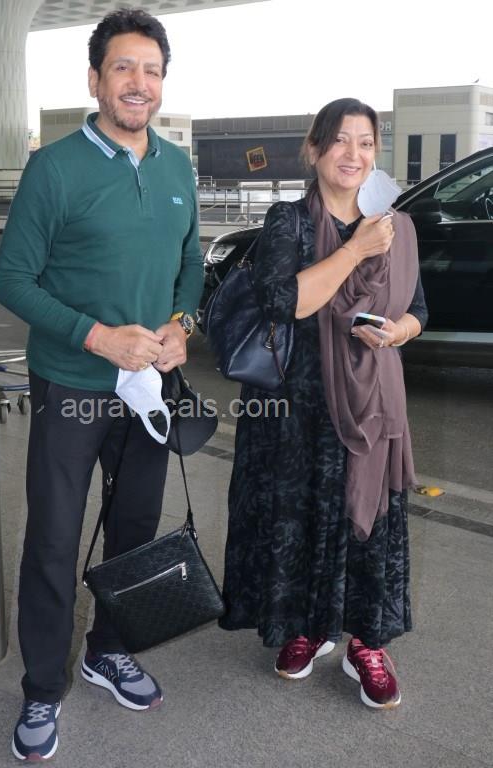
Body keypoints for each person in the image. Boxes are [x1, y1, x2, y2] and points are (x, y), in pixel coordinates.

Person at [0, 9, 201, 762]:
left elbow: (191, 263)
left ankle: (107, 650)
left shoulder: (177, 167)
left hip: (148, 391)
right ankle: (43, 686)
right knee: (53, 538)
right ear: (95, 79)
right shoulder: (54, 168)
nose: (138, 83)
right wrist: (97, 336)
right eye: (123, 67)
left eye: (151, 70)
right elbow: (12, 280)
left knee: (134, 531)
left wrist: (181, 324)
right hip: (71, 384)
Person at [219, 98, 427, 710]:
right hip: (297, 409)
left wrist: (397, 332)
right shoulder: (290, 221)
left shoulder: (396, 226)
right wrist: (355, 250)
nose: (352, 154)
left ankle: (367, 644)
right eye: (339, 140)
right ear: (315, 150)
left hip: (371, 406)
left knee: (369, 527)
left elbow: (418, 309)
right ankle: (306, 629)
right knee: (301, 515)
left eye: (364, 142)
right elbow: (289, 301)